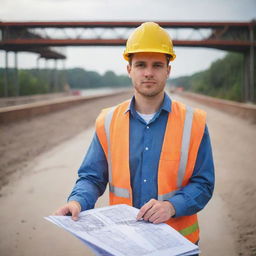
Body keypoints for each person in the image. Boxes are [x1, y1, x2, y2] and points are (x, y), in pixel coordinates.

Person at [54, 22, 215, 246]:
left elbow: (203, 183)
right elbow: (92, 177)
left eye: (157, 65)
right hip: (125, 244)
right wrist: (77, 202)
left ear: (168, 70)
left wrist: (171, 206)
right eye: (141, 65)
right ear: (129, 69)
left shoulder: (194, 122)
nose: (149, 73)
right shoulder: (107, 122)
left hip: (178, 244)